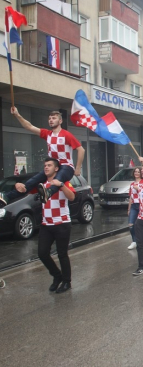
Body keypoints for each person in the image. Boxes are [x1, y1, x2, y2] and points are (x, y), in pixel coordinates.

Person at [0, 107, 85, 207]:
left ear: (60, 121)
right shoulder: (47, 134)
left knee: (58, 179)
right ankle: (7, 196)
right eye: (49, 118)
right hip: (53, 167)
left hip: (66, 166)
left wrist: (78, 168)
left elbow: (81, 150)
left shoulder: (66, 135)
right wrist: (18, 115)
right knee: (31, 182)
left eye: (54, 118)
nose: (51, 120)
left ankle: (48, 192)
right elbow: (29, 127)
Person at [37, 157, 76, 293]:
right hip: (46, 224)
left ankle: (67, 282)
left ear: (57, 169)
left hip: (62, 223)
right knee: (42, 253)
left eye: (49, 165)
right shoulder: (42, 184)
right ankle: (57, 276)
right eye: (45, 166)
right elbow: (27, 190)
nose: (46, 167)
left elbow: (71, 197)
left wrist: (61, 185)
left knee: (62, 254)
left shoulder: (64, 182)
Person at [127, 167, 143, 250]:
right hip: (134, 206)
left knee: (142, 225)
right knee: (131, 224)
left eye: (138, 172)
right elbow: (131, 197)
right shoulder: (132, 184)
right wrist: (129, 209)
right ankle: (134, 241)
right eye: (135, 172)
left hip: (142, 205)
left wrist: (139, 189)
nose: (136, 173)